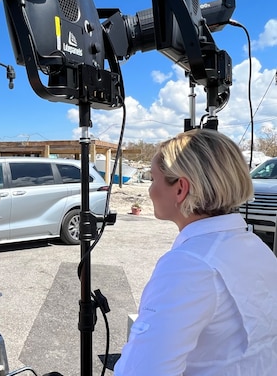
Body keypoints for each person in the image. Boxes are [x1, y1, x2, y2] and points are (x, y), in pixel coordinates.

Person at [114, 128, 277, 376]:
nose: (149, 190)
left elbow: (144, 369)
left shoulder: (190, 265)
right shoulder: (256, 247)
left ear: (180, 189)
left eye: (154, 179)